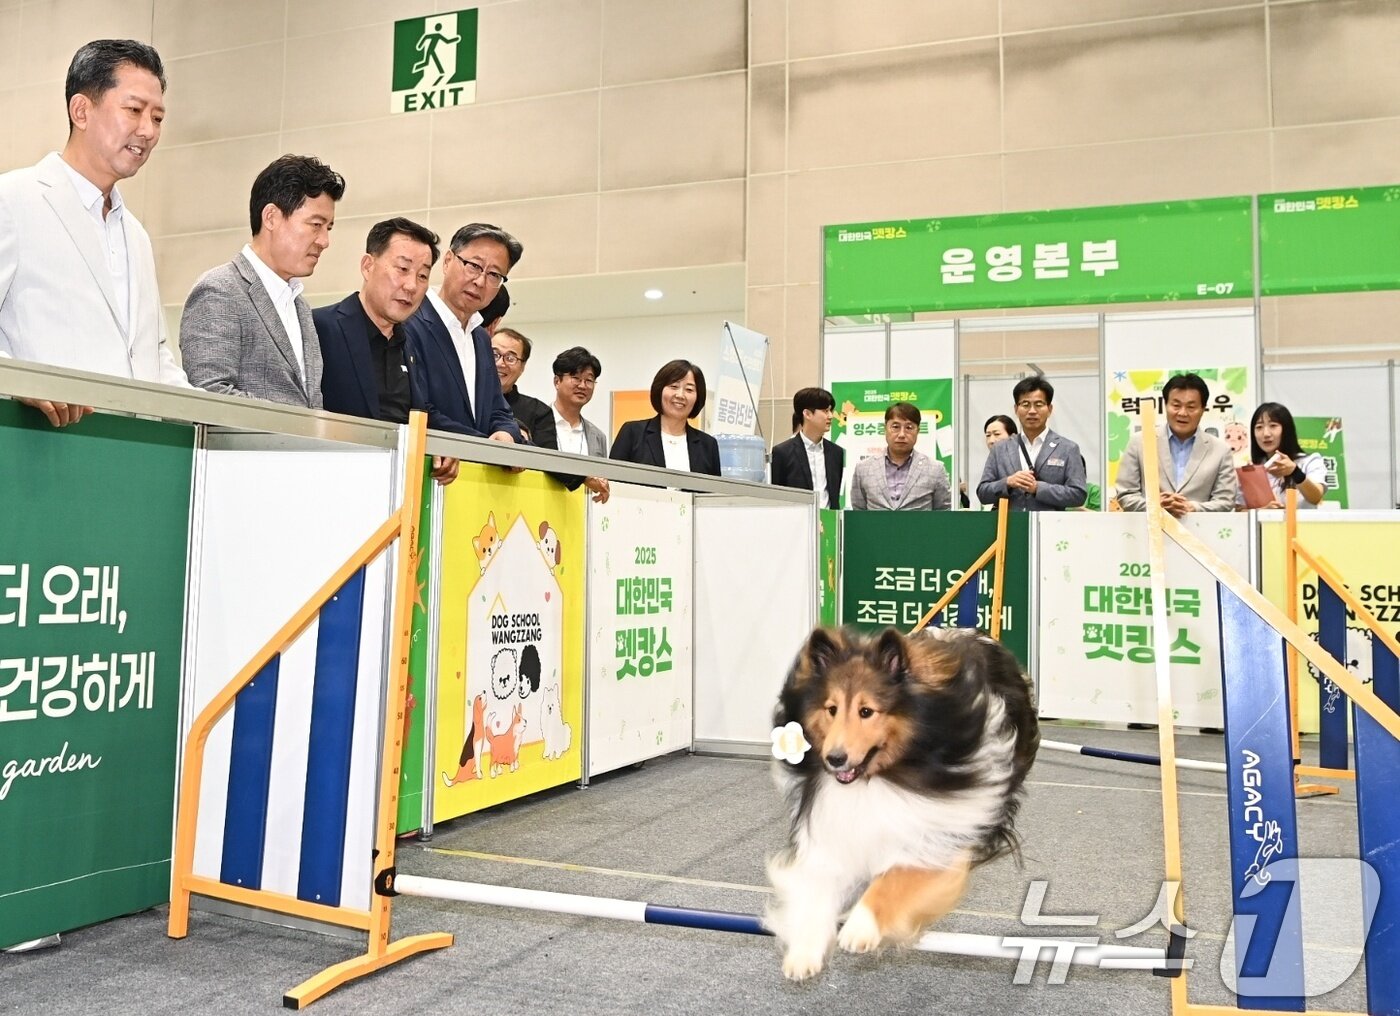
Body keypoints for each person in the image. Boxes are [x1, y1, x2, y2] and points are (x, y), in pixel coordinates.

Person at [0, 39, 186, 429]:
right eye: (134, 110)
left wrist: (218, 420)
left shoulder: (136, 235)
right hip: (38, 450)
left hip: (132, 458)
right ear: (81, 110)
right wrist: (18, 381)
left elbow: (152, 356)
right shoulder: (13, 201)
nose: (148, 130)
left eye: (157, 118)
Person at [179, 155, 345, 407]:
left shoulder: (300, 307)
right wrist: (294, 425)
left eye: (328, 228)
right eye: (315, 225)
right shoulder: (219, 290)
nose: (324, 241)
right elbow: (208, 394)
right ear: (271, 217)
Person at [313, 218, 457, 483]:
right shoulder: (320, 327)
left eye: (423, 275)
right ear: (368, 266)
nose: (412, 285)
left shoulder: (410, 345)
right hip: (331, 483)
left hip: (400, 492)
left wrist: (448, 446)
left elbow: (421, 414)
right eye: (402, 268)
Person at [401, 222, 522, 443]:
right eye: (474, 266)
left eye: (494, 274)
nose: (480, 281)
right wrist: (485, 446)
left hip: (475, 472)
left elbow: (498, 409)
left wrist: (506, 434)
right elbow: (418, 409)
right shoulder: (410, 323)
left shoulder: (481, 339)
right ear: (448, 261)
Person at [1115, 372, 1239, 517]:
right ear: (1165, 405)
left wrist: (1192, 507)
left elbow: (1225, 501)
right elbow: (1126, 494)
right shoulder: (1139, 442)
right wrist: (1156, 505)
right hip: (1150, 535)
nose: (1182, 413)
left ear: (1203, 409)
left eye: (1191, 407)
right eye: (1176, 405)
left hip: (1200, 535)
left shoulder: (1220, 450)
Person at [977, 378, 1086, 511]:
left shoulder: (1068, 448)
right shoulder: (1000, 449)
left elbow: (1078, 494)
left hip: (1051, 527)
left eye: (1039, 404)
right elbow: (982, 493)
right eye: (1025, 404)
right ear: (1016, 409)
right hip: (1010, 528)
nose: (1032, 411)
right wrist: (1007, 482)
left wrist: (1038, 488)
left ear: (1050, 409)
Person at [610, 359, 721, 476]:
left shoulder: (708, 445)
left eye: (689, 389)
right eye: (674, 386)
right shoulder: (632, 433)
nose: (680, 395)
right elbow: (612, 482)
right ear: (660, 390)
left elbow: (714, 493)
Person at [848, 402, 951, 510]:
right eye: (895, 427)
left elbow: (943, 513)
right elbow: (859, 511)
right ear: (885, 429)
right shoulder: (863, 468)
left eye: (909, 427)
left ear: (918, 431)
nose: (902, 434)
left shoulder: (936, 469)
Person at [543, 346, 610, 502]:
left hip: (580, 519)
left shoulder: (597, 436)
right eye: (576, 378)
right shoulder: (537, 422)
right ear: (557, 381)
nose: (582, 385)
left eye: (589, 380)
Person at [770, 387, 844, 508]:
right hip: (796, 521)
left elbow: (834, 496)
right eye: (825, 411)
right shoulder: (782, 452)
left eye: (831, 410)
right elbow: (777, 498)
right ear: (807, 414)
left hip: (829, 522)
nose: (831, 416)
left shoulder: (836, 452)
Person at [1248, 402, 1326, 508]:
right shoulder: (1253, 469)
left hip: (1302, 524)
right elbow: (1240, 510)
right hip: (1265, 525)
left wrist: (1295, 472)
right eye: (1259, 427)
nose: (1266, 433)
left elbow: (1315, 498)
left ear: (1286, 429)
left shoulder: (1310, 461)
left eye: (1273, 426)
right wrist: (1263, 511)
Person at [493, 325, 555, 447]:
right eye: (494, 355)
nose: (500, 363)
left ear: (522, 366)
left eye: (510, 358)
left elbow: (547, 461)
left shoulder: (540, 412)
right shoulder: (467, 401)